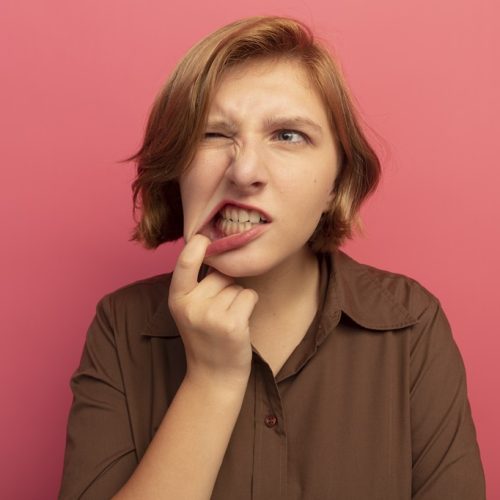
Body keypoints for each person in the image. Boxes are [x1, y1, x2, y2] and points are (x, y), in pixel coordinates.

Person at [58, 16, 485, 499]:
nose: (243, 171)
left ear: (336, 184)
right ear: (176, 168)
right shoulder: (122, 326)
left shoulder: (410, 325)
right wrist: (211, 384)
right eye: (213, 134)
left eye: (287, 135)